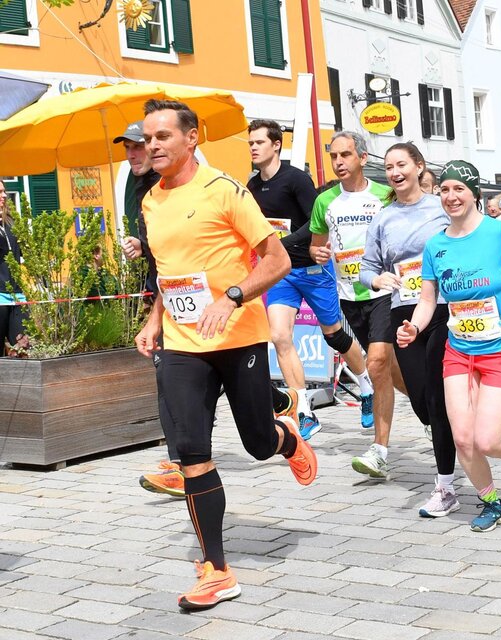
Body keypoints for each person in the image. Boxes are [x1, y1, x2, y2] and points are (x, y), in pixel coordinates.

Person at [136, 99, 317, 610]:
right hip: (182, 343)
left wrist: (231, 296)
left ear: (192, 138)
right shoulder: (151, 201)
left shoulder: (225, 191)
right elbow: (169, 274)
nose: (153, 146)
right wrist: (153, 321)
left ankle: (286, 440)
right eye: (148, 138)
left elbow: (277, 259)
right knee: (191, 453)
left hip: (237, 336)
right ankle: (217, 569)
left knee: (257, 442)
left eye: (163, 136)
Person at [396, 160, 501, 533]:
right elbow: (428, 298)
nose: (451, 196)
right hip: (460, 351)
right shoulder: (436, 245)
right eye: (444, 190)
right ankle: (491, 502)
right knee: (462, 438)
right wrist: (413, 327)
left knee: (488, 438)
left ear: (474, 194)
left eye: (458, 189)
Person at [246, 119, 375, 439]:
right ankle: (303, 410)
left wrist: (279, 245)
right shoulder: (252, 186)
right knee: (279, 336)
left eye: (259, 142)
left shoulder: (296, 180)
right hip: (281, 273)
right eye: (250, 143)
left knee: (333, 334)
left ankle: (366, 383)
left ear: (276, 145)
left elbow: (317, 227)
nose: (253, 147)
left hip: (313, 268)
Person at [360, 142, 459, 516]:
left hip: (442, 307)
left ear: (419, 167)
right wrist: (376, 280)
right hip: (404, 310)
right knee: (419, 396)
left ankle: (444, 483)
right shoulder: (383, 218)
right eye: (388, 167)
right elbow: (367, 268)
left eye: (402, 164)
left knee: (435, 393)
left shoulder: (440, 207)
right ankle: (447, 429)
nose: (395, 172)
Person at [309, 131, 405, 478]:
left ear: (362, 158)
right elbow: (317, 246)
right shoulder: (325, 202)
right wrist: (317, 253)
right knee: (389, 373)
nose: (339, 163)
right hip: (349, 295)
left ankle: (379, 450)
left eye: (346, 155)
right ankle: (429, 412)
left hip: (385, 291)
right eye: (334, 157)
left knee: (376, 362)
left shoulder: (385, 195)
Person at [110, 121, 185, 499]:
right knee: (168, 375)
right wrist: (141, 244)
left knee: (212, 371)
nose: (135, 154)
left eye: (140, 145)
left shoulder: (173, 185)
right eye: (129, 148)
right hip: (162, 294)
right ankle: (179, 463)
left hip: (198, 293)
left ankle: (273, 405)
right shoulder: (138, 187)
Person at [0, 181, 25, 356]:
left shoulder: (11, 223)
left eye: (4, 191)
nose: (4, 195)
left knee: (22, 344)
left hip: (17, 294)